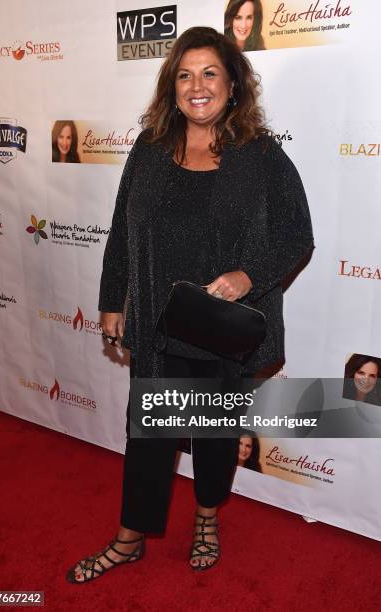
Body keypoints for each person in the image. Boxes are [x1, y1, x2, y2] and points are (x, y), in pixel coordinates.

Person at [66, 25, 313, 582]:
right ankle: (130, 537)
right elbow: (121, 229)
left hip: (221, 326)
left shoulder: (260, 154)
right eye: (184, 74)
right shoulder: (150, 147)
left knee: (214, 432)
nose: (196, 86)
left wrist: (250, 275)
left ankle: (207, 517)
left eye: (209, 73)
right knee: (146, 431)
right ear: (170, 84)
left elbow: (298, 232)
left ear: (233, 83)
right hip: (157, 319)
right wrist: (112, 297)